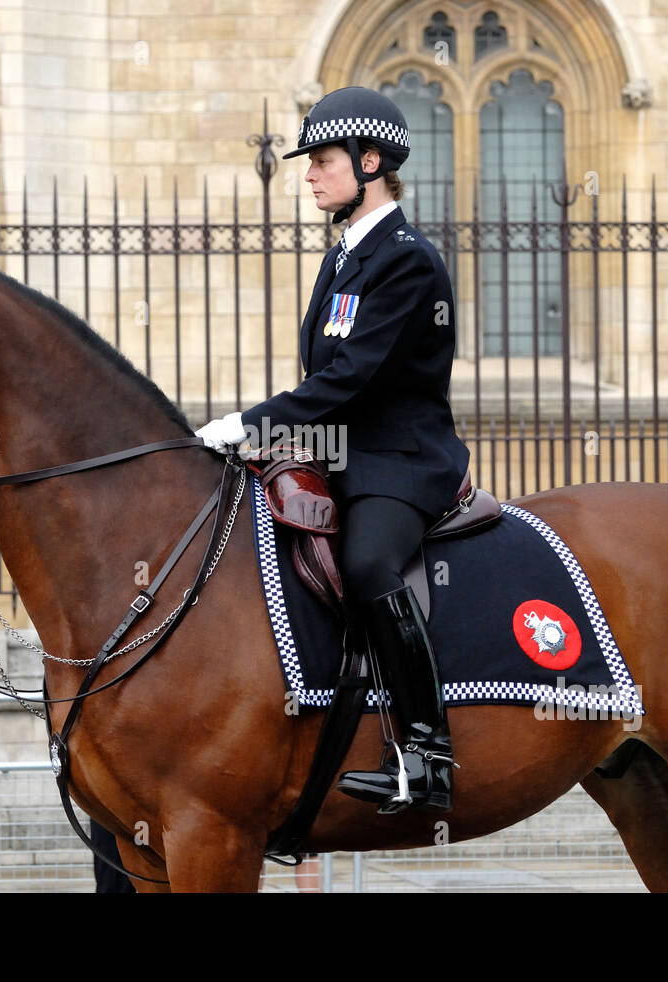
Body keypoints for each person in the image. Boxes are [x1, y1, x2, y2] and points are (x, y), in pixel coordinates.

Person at [195, 87, 470, 814]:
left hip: (399, 462)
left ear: (369, 161)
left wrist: (250, 425)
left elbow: (351, 377)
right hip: (341, 451)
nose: (310, 175)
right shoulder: (345, 257)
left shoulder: (406, 261)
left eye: (322, 161)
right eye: (309, 163)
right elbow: (326, 379)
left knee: (368, 562)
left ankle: (426, 753)